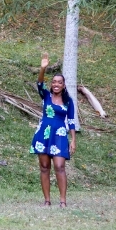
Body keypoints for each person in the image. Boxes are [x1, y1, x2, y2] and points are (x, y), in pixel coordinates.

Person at [29, 53, 76, 208]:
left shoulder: (68, 101)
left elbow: (71, 121)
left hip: (60, 136)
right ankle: (47, 200)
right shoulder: (46, 96)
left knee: (59, 166)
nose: (56, 84)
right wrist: (43, 68)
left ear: (63, 85)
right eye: (54, 82)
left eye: (59, 82)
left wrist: (73, 140)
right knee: (44, 167)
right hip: (43, 135)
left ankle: (63, 201)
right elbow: (40, 84)